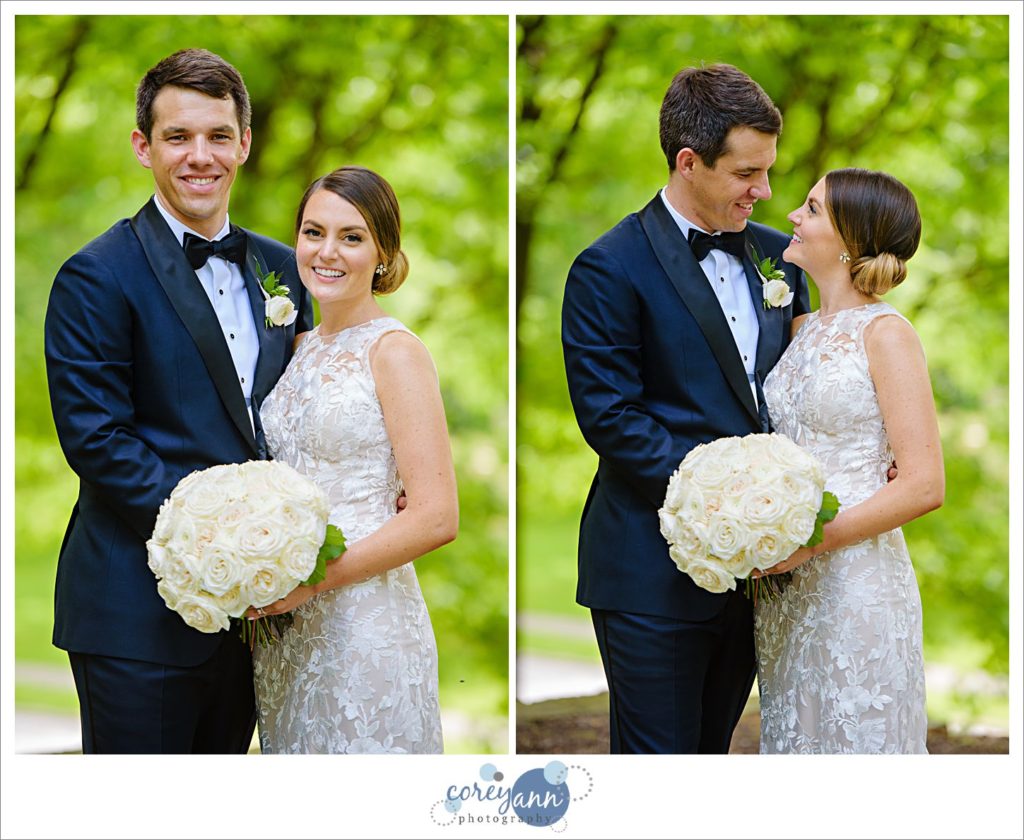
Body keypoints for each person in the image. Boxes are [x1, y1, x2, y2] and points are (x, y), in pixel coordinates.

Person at [43, 48, 313, 753]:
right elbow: (99, 440)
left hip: (253, 614)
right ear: (144, 147)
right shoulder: (97, 276)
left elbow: (301, 410)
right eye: (178, 137)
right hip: (136, 611)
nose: (201, 156)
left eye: (219, 136)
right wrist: (223, 534)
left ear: (245, 144)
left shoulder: (285, 270)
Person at [561, 64, 810, 753]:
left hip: (758, 576)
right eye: (746, 174)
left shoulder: (781, 261)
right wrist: (732, 498)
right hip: (649, 573)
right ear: (688, 162)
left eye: (767, 172)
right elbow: (612, 418)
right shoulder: (607, 267)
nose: (763, 191)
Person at [247, 166, 457, 754]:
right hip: (285, 628)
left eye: (352, 236)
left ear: (383, 254)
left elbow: (437, 516)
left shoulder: (396, 353)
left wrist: (314, 584)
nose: (327, 251)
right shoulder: (294, 347)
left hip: (364, 619)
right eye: (314, 232)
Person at [754, 168, 942, 753]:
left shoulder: (887, 334)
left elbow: (923, 484)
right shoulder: (799, 328)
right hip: (786, 590)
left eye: (811, 209)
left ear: (848, 240)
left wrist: (815, 542)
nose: (792, 215)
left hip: (855, 580)